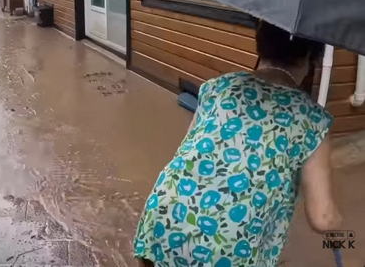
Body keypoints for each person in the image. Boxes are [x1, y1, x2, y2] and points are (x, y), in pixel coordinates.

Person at [133, 22, 341, 267]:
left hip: (162, 217)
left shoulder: (217, 87)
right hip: (228, 249)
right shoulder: (313, 120)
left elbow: (185, 151)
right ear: (310, 57)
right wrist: (338, 222)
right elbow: (322, 218)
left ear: (260, 45)